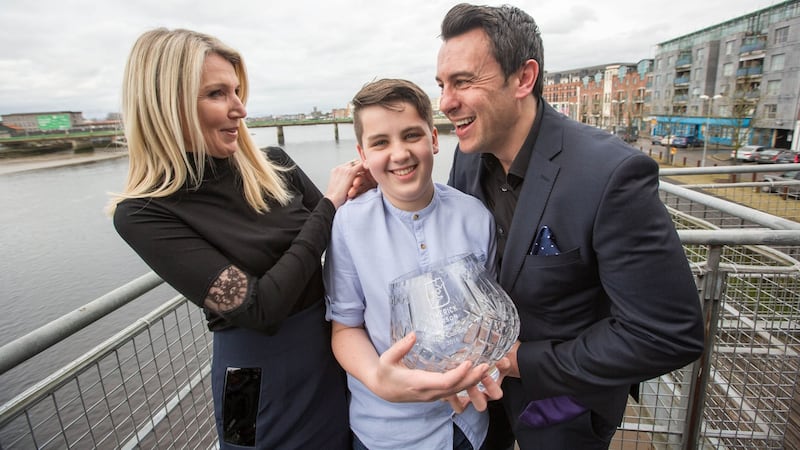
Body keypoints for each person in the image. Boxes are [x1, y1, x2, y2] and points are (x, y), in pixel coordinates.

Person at [435, 4, 705, 449]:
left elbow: (667, 333)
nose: (445, 102)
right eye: (443, 85)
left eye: (463, 82)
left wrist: (524, 361)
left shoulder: (610, 174)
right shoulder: (467, 157)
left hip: (563, 412)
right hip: (481, 406)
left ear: (523, 78)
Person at [108, 28, 365, 449]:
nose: (240, 109)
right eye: (217, 94)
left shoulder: (274, 164)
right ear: (166, 105)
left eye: (238, 91)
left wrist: (371, 193)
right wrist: (329, 205)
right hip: (247, 377)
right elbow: (259, 309)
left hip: (328, 349)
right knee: (245, 445)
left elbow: (343, 236)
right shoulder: (143, 213)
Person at [323, 78, 504, 450]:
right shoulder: (349, 224)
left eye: (411, 135)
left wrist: (488, 364)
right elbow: (345, 327)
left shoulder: (475, 216)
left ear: (434, 139)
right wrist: (378, 378)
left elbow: (492, 316)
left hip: (468, 424)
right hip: (387, 432)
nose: (399, 153)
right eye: (380, 142)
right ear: (363, 153)